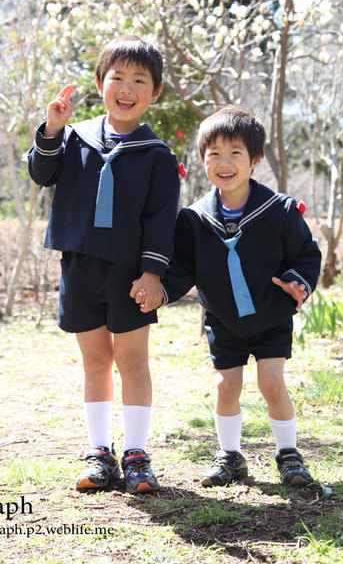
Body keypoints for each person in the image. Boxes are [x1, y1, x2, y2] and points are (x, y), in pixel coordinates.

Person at [132, 105, 321, 488]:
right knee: (226, 386)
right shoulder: (195, 218)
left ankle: (288, 453)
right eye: (213, 153)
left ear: (254, 160)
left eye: (235, 152)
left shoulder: (279, 210)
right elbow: (182, 268)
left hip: (270, 314)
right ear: (202, 159)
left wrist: (296, 281)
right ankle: (230, 456)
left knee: (271, 383)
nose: (224, 162)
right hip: (222, 318)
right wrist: (161, 292)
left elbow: (306, 253)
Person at [28, 35, 179, 494]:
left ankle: (135, 454)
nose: (127, 88)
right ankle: (100, 453)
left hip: (131, 274)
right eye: (118, 78)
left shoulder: (157, 156)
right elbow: (41, 174)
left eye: (140, 80)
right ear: (100, 83)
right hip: (79, 266)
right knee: (95, 360)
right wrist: (51, 130)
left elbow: (160, 220)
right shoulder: (75, 138)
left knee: (132, 360)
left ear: (154, 93)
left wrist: (152, 274)